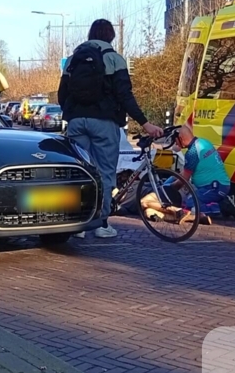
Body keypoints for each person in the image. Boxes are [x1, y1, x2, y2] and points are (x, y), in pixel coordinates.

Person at [59, 19, 163, 239]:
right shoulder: (114, 59)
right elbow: (125, 96)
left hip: (76, 122)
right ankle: (101, 223)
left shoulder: (72, 61)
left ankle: (77, 222)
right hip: (104, 123)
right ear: (110, 36)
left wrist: (72, 115)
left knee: (78, 172)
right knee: (105, 173)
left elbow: (62, 95)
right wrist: (145, 123)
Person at [139, 124, 235, 225]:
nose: (176, 144)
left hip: (214, 187)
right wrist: (171, 179)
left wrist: (168, 189)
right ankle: (221, 202)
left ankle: (222, 207)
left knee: (190, 205)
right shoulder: (203, 142)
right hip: (221, 184)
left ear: (181, 138)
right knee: (186, 193)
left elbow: (184, 179)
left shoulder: (192, 153)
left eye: (176, 141)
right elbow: (184, 172)